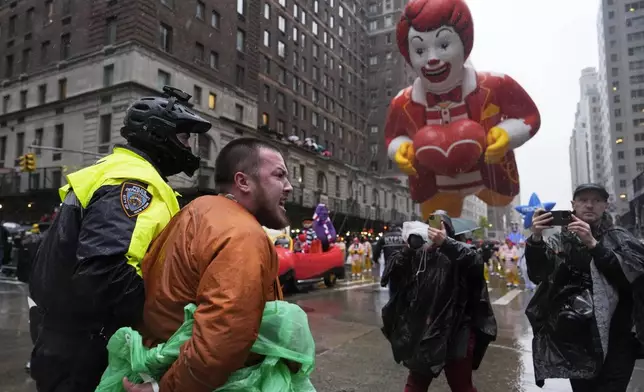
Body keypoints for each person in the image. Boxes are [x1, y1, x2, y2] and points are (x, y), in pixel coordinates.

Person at [28, 86, 211, 392]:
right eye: (184, 137)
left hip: (71, 343)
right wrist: (170, 322)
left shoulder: (113, 171)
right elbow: (107, 272)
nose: (188, 146)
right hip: (90, 353)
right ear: (158, 134)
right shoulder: (134, 181)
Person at [122, 137, 293, 392]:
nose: (289, 187)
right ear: (243, 181)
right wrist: (165, 389)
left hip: (168, 366)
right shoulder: (241, 234)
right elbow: (224, 335)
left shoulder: (196, 211)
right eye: (279, 175)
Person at [525, 183, 644, 391]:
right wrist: (536, 239)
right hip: (578, 341)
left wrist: (594, 245)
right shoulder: (560, 240)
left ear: (605, 205)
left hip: (618, 340)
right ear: (573, 205)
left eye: (596, 200)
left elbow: (631, 279)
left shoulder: (620, 236)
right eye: (583, 200)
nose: (589, 205)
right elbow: (538, 275)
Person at [381, 213, 496, 392]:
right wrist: (409, 248)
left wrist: (446, 243)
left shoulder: (462, 252)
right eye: (431, 226)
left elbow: (475, 262)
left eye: (441, 227)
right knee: (415, 384)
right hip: (426, 332)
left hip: (457, 332)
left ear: (449, 231)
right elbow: (391, 273)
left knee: (461, 386)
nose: (435, 231)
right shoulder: (422, 256)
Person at [375, 223, 406, 294]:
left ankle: (393, 301)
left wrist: (375, 260)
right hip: (404, 264)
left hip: (390, 265)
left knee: (392, 285)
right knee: (403, 284)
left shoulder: (384, 237)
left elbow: (377, 250)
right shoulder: (404, 237)